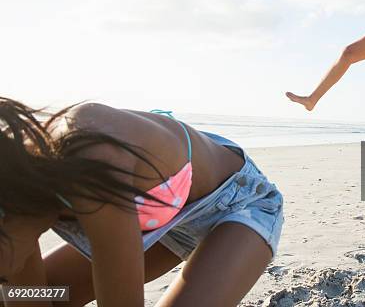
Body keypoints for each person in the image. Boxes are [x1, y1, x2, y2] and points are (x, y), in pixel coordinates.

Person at [0, 98, 283, 306]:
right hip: (155, 221)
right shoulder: (17, 207)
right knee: (26, 295)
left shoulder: (90, 162)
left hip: (238, 202)